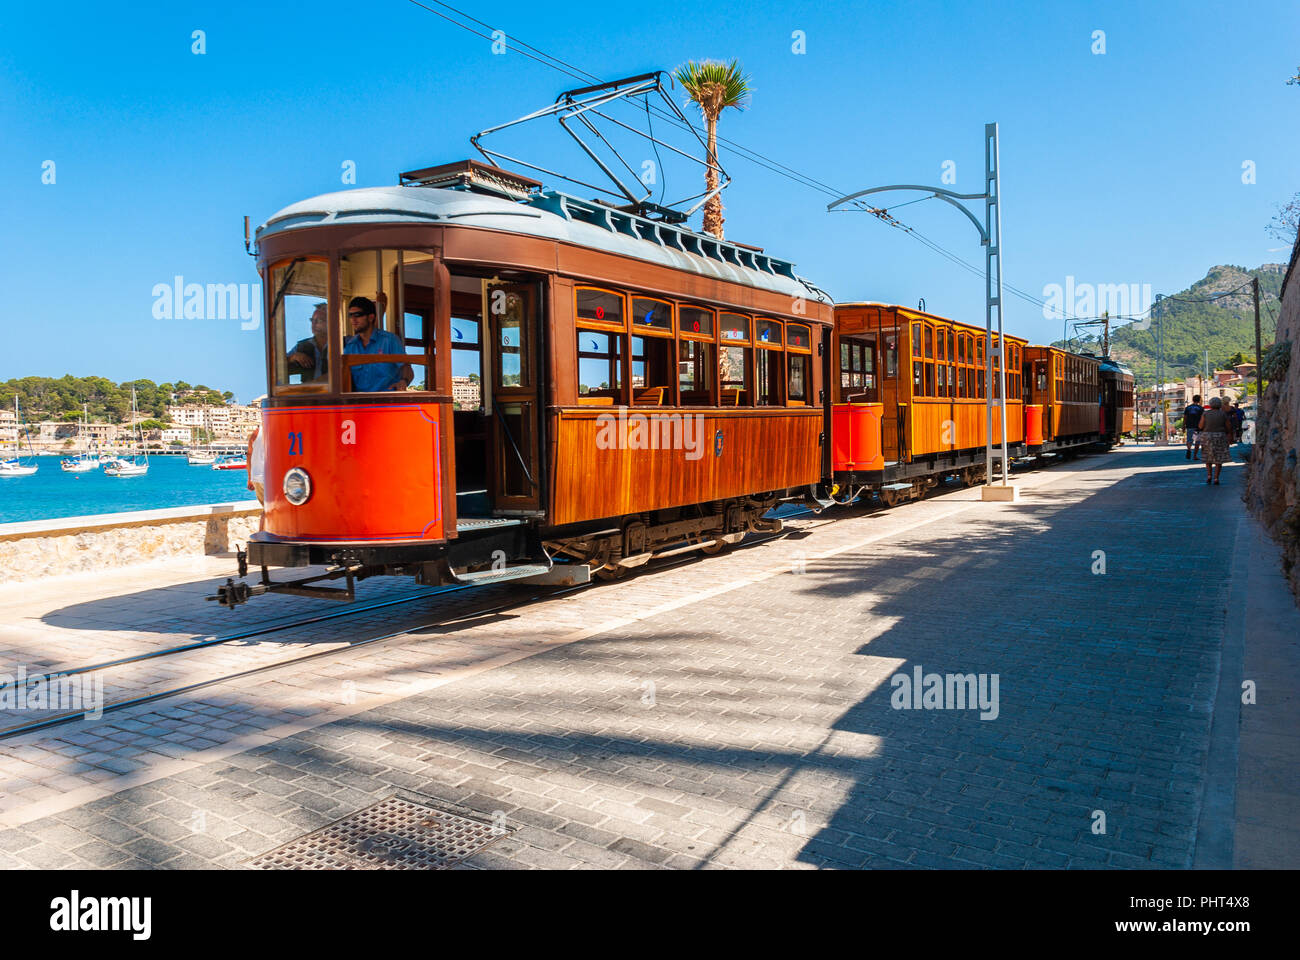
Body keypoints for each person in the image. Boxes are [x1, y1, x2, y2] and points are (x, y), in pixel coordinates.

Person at [343, 295, 413, 392]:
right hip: (360, 403)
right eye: (350, 315)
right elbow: (343, 375)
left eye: (358, 315)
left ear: (371, 317)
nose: (353, 320)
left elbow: (406, 367)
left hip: (388, 402)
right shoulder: (350, 346)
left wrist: (403, 381)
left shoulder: (390, 340)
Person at [287, 303, 328, 382]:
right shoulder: (301, 346)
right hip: (308, 393)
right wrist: (293, 357)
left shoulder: (344, 344)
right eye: (312, 320)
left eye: (319, 320)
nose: (313, 324)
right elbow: (278, 365)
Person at [1198, 396, 1230, 485]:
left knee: (1208, 458)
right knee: (1218, 459)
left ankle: (1209, 476)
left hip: (1207, 436)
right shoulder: (1223, 414)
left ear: (1210, 405)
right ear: (1220, 405)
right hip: (1220, 436)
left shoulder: (1205, 414)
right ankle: (1216, 478)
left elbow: (1200, 426)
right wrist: (1230, 436)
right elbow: (1228, 426)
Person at [1181, 394, 1203, 460]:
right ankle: (1195, 456)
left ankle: (1189, 449)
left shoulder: (1188, 408)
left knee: (1189, 440)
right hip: (1197, 428)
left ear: (1193, 400)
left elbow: (1185, 418)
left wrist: (1183, 426)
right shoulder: (1200, 408)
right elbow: (1202, 418)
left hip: (1189, 426)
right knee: (1197, 441)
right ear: (1199, 400)